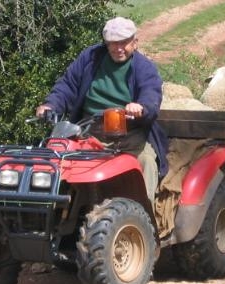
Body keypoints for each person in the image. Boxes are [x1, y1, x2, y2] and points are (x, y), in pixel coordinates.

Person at [35, 17, 168, 203]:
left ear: (135, 43)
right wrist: (51, 105)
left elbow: (151, 94)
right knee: (55, 159)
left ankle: (142, 221)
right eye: (113, 43)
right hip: (88, 131)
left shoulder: (144, 67)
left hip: (130, 135)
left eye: (124, 42)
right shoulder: (91, 58)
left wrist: (141, 107)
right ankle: (49, 209)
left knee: (146, 162)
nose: (118, 48)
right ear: (106, 43)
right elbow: (67, 85)